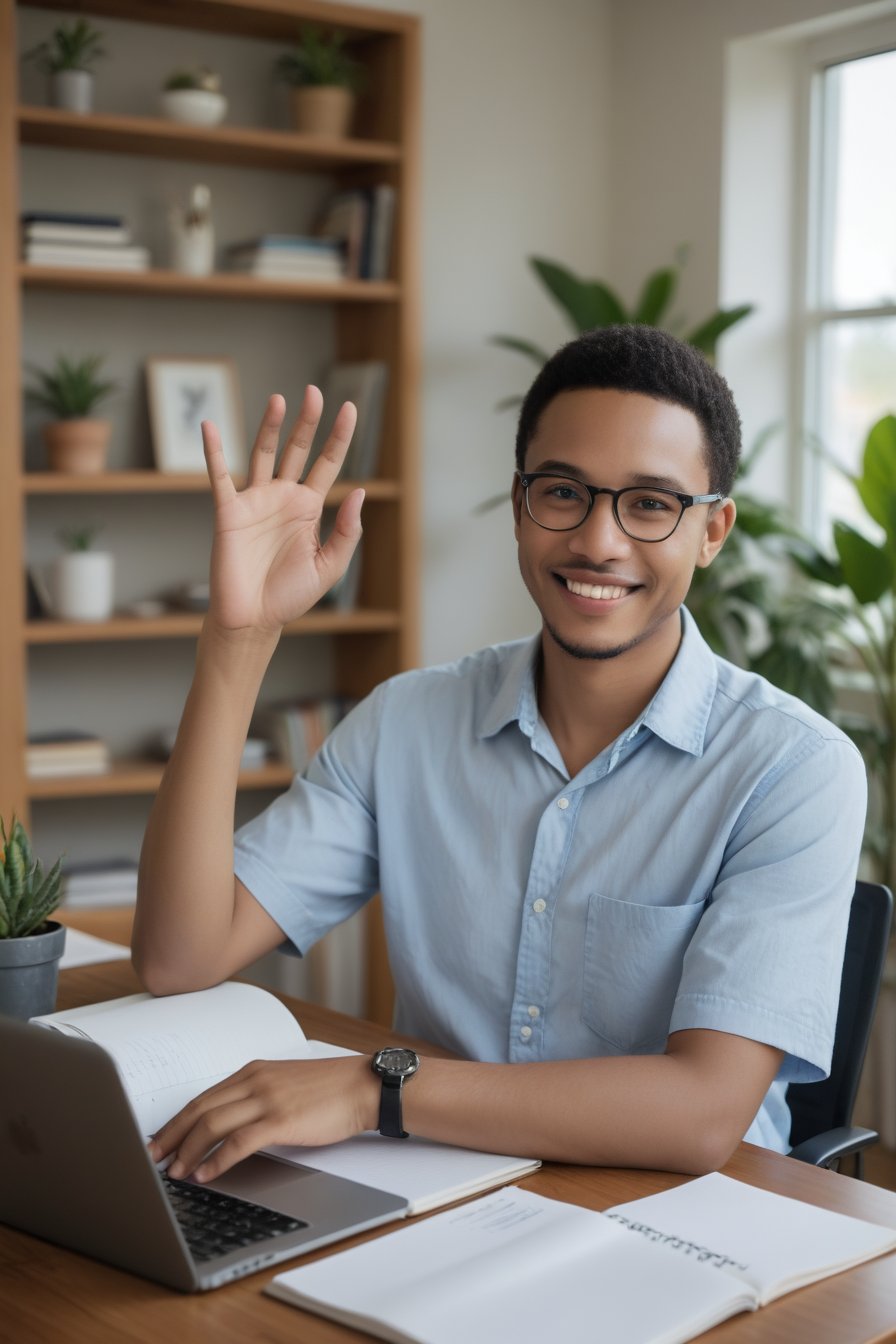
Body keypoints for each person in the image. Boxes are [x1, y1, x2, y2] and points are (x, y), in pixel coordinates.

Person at [134, 325, 867, 1185]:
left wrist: (377, 1091)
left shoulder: (794, 767)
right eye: (564, 492)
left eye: (651, 503)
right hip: (436, 1189)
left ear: (712, 531)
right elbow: (180, 957)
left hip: (677, 1217)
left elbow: (703, 1116)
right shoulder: (406, 722)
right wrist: (240, 637)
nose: (599, 541)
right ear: (520, 502)